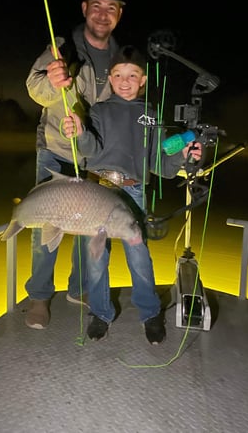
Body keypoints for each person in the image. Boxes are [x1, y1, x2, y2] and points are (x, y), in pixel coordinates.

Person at [62, 45, 202, 344]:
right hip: (98, 191)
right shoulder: (98, 111)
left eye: (132, 75)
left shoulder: (151, 115)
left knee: (139, 256)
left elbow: (160, 163)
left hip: (134, 191)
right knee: (96, 257)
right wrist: (79, 133)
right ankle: (100, 313)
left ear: (143, 80)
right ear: (110, 79)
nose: (125, 81)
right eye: (118, 75)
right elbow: (90, 151)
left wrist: (185, 153)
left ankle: (150, 314)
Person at [24, 0, 126, 329]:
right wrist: (52, 81)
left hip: (94, 156)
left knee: (92, 226)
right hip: (55, 150)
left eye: (110, 8)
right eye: (96, 6)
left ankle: (78, 287)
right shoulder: (63, 46)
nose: (102, 14)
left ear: (118, 15)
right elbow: (34, 87)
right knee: (45, 230)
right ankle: (39, 297)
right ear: (85, 9)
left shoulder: (120, 58)